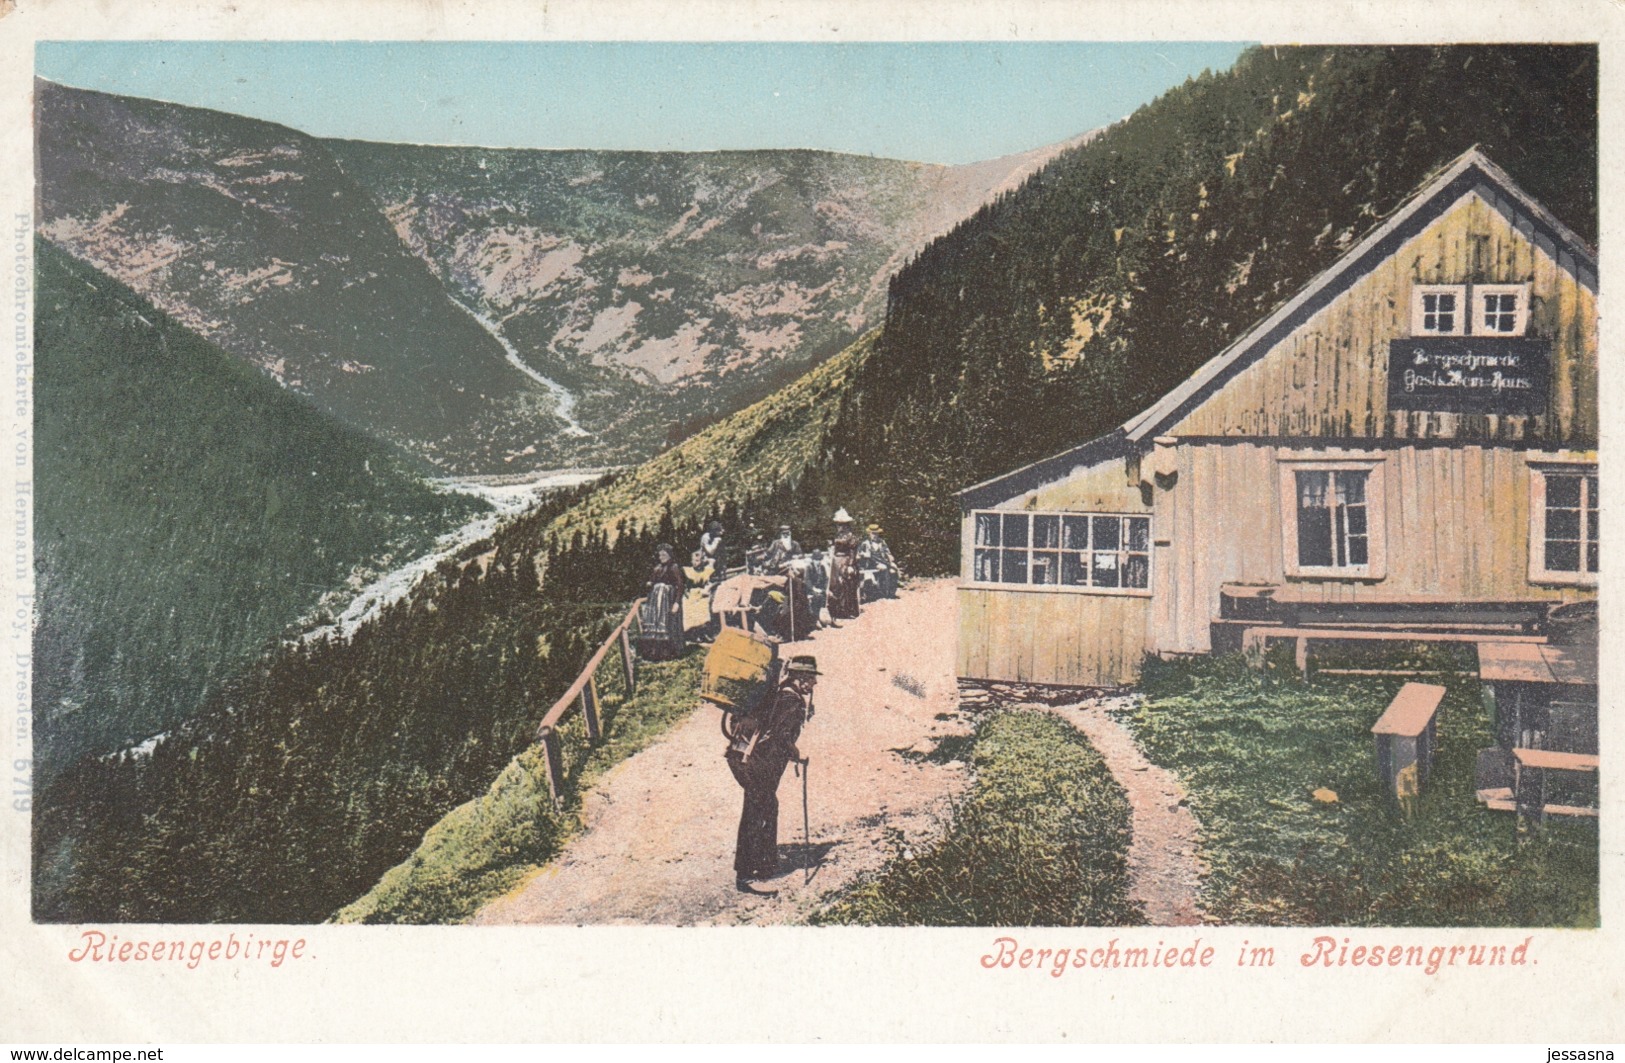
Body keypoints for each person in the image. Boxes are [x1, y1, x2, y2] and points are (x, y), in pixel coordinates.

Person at [725, 654, 818, 894]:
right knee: (756, 811)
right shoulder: (791, 701)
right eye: (810, 678)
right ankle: (745, 876)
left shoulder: (781, 693)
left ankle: (764, 865)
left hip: (743, 758)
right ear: (798, 678)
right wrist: (797, 754)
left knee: (766, 807)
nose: (814, 684)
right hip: (755, 764)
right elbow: (781, 735)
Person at [639, 543, 686, 659]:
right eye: (660, 555)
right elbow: (651, 580)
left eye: (664, 555)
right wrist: (650, 584)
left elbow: (680, 585)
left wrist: (677, 602)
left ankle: (669, 652)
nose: (662, 557)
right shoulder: (658, 568)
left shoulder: (674, 567)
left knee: (667, 625)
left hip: (667, 601)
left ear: (670, 555)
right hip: (656, 602)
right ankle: (654, 652)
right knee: (654, 624)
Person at [827, 509, 860, 621]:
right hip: (836, 561)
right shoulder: (837, 535)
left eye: (841, 524)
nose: (839, 526)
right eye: (838, 524)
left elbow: (852, 552)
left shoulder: (851, 536)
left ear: (846, 525)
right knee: (836, 584)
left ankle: (848, 610)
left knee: (846, 584)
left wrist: (851, 565)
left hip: (846, 560)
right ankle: (837, 610)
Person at [858, 523, 898, 600]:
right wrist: (864, 554)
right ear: (869, 534)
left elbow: (887, 552)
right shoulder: (865, 543)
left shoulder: (882, 542)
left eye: (876, 534)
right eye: (873, 534)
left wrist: (890, 557)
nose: (875, 536)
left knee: (893, 569)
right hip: (871, 563)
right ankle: (883, 592)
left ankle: (891, 591)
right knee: (884, 568)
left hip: (883, 561)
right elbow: (859, 554)